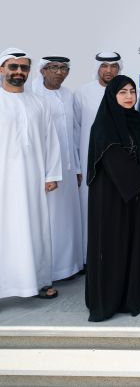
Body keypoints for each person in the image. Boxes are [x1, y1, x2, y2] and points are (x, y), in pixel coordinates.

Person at [85, 75, 140, 322]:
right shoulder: (104, 126)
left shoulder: (137, 121)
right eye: (122, 92)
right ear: (112, 96)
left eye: (132, 91)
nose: (129, 96)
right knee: (114, 245)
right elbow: (114, 158)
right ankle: (110, 299)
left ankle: (132, 296)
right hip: (112, 198)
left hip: (137, 196)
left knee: (134, 243)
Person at [0, 52, 62, 300]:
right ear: (2, 69)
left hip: (33, 179)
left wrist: (52, 174)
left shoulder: (39, 103)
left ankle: (37, 282)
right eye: (13, 66)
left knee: (36, 229)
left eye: (24, 68)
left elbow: (51, 140)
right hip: (3, 180)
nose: (19, 71)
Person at [31, 56, 83, 282]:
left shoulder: (69, 95)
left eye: (63, 68)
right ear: (43, 71)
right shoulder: (32, 95)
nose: (59, 72)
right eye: (53, 68)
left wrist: (77, 167)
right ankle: (48, 271)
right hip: (44, 169)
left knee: (68, 219)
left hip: (68, 168)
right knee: (48, 220)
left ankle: (69, 266)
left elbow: (75, 132)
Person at [74, 51, 123, 258]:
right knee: (89, 206)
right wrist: (78, 165)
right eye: (104, 66)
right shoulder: (82, 93)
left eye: (113, 66)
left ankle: (114, 255)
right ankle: (89, 256)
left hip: (118, 161)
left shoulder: (125, 91)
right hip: (89, 160)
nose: (109, 70)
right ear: (97, 69)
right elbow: (76, 130)